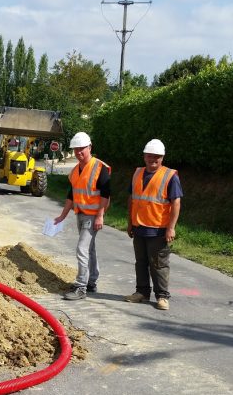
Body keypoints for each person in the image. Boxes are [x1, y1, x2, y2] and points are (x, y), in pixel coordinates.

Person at [125, 139, 183, 310]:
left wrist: (171, 227)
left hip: (158, 229)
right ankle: (141, 292)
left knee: (159, 263)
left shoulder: (170, 176)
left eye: (157, 157)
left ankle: (162, 296)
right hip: (139, 227)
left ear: (162, 157)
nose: (153, 159)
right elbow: (132, 199)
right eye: (150, 156)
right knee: (141, 262)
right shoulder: (137, 173)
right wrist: (130, 223)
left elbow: (176, 203)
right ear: (144, 156)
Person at [54, 132, 111, 300]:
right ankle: (91, 281)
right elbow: (71, 195)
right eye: (76, 149)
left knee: (81, 248)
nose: (79, 152)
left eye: (82, 149)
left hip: (93, 216)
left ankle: (81, 287)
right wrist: (63, 215)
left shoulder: (100, 168)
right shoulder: (75, 171)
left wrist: (100, 216)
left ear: (90, 147)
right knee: (89, 249)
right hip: (81, 215)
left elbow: (105, 195)